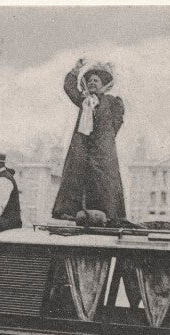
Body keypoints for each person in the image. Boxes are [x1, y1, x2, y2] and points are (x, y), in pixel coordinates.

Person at [52, 59, 125, 221]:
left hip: (102, 148)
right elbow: (69, 88)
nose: (92, 83)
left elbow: (117, 121)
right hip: (82, 145)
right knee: (76, 173)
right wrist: (76, 70)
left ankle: (108, 213)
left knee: (103, 178)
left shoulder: (112, 101)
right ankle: (70, 211)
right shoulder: (83, 100)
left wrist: (105, 138)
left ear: (103, 84)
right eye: (90, 80)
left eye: (96, 80)